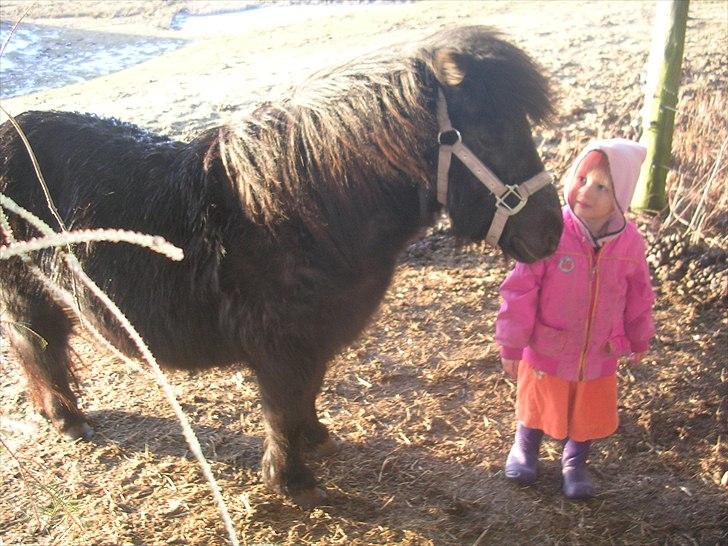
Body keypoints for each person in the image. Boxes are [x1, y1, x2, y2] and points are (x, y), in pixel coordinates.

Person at [495, 138, 655, 499]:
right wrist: (512, 341)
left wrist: (639, 335)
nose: (587, 191)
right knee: (539, 398)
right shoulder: (553, 232)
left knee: (586, 407)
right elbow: (520, 288)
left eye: (601, 186)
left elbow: (639, 293)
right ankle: (525, 446)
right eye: (582, 178)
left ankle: (575, 461)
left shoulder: (630, 243)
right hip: (549, 342)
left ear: (621, 195)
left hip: (599, 348)